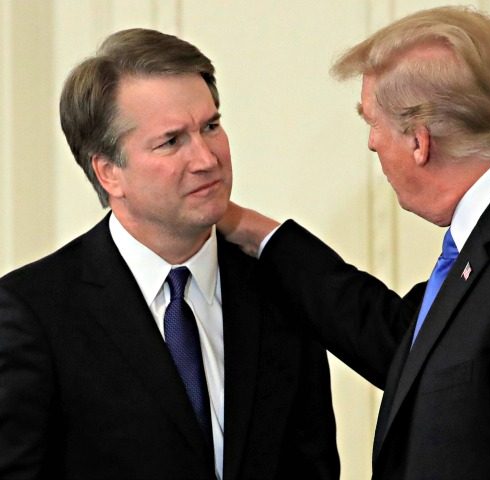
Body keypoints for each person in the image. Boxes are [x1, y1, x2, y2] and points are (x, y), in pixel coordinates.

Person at [218, 6, 490, 479]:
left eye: (371, 121)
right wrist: (255, 232)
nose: (373, 143)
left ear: (420, 141)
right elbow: (416, 345)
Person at [0, 28, 339, 480]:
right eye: (171, 141)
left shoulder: (277, 288)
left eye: (211, 127)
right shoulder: (32, 311)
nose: (206, 158)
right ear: (108, 172)